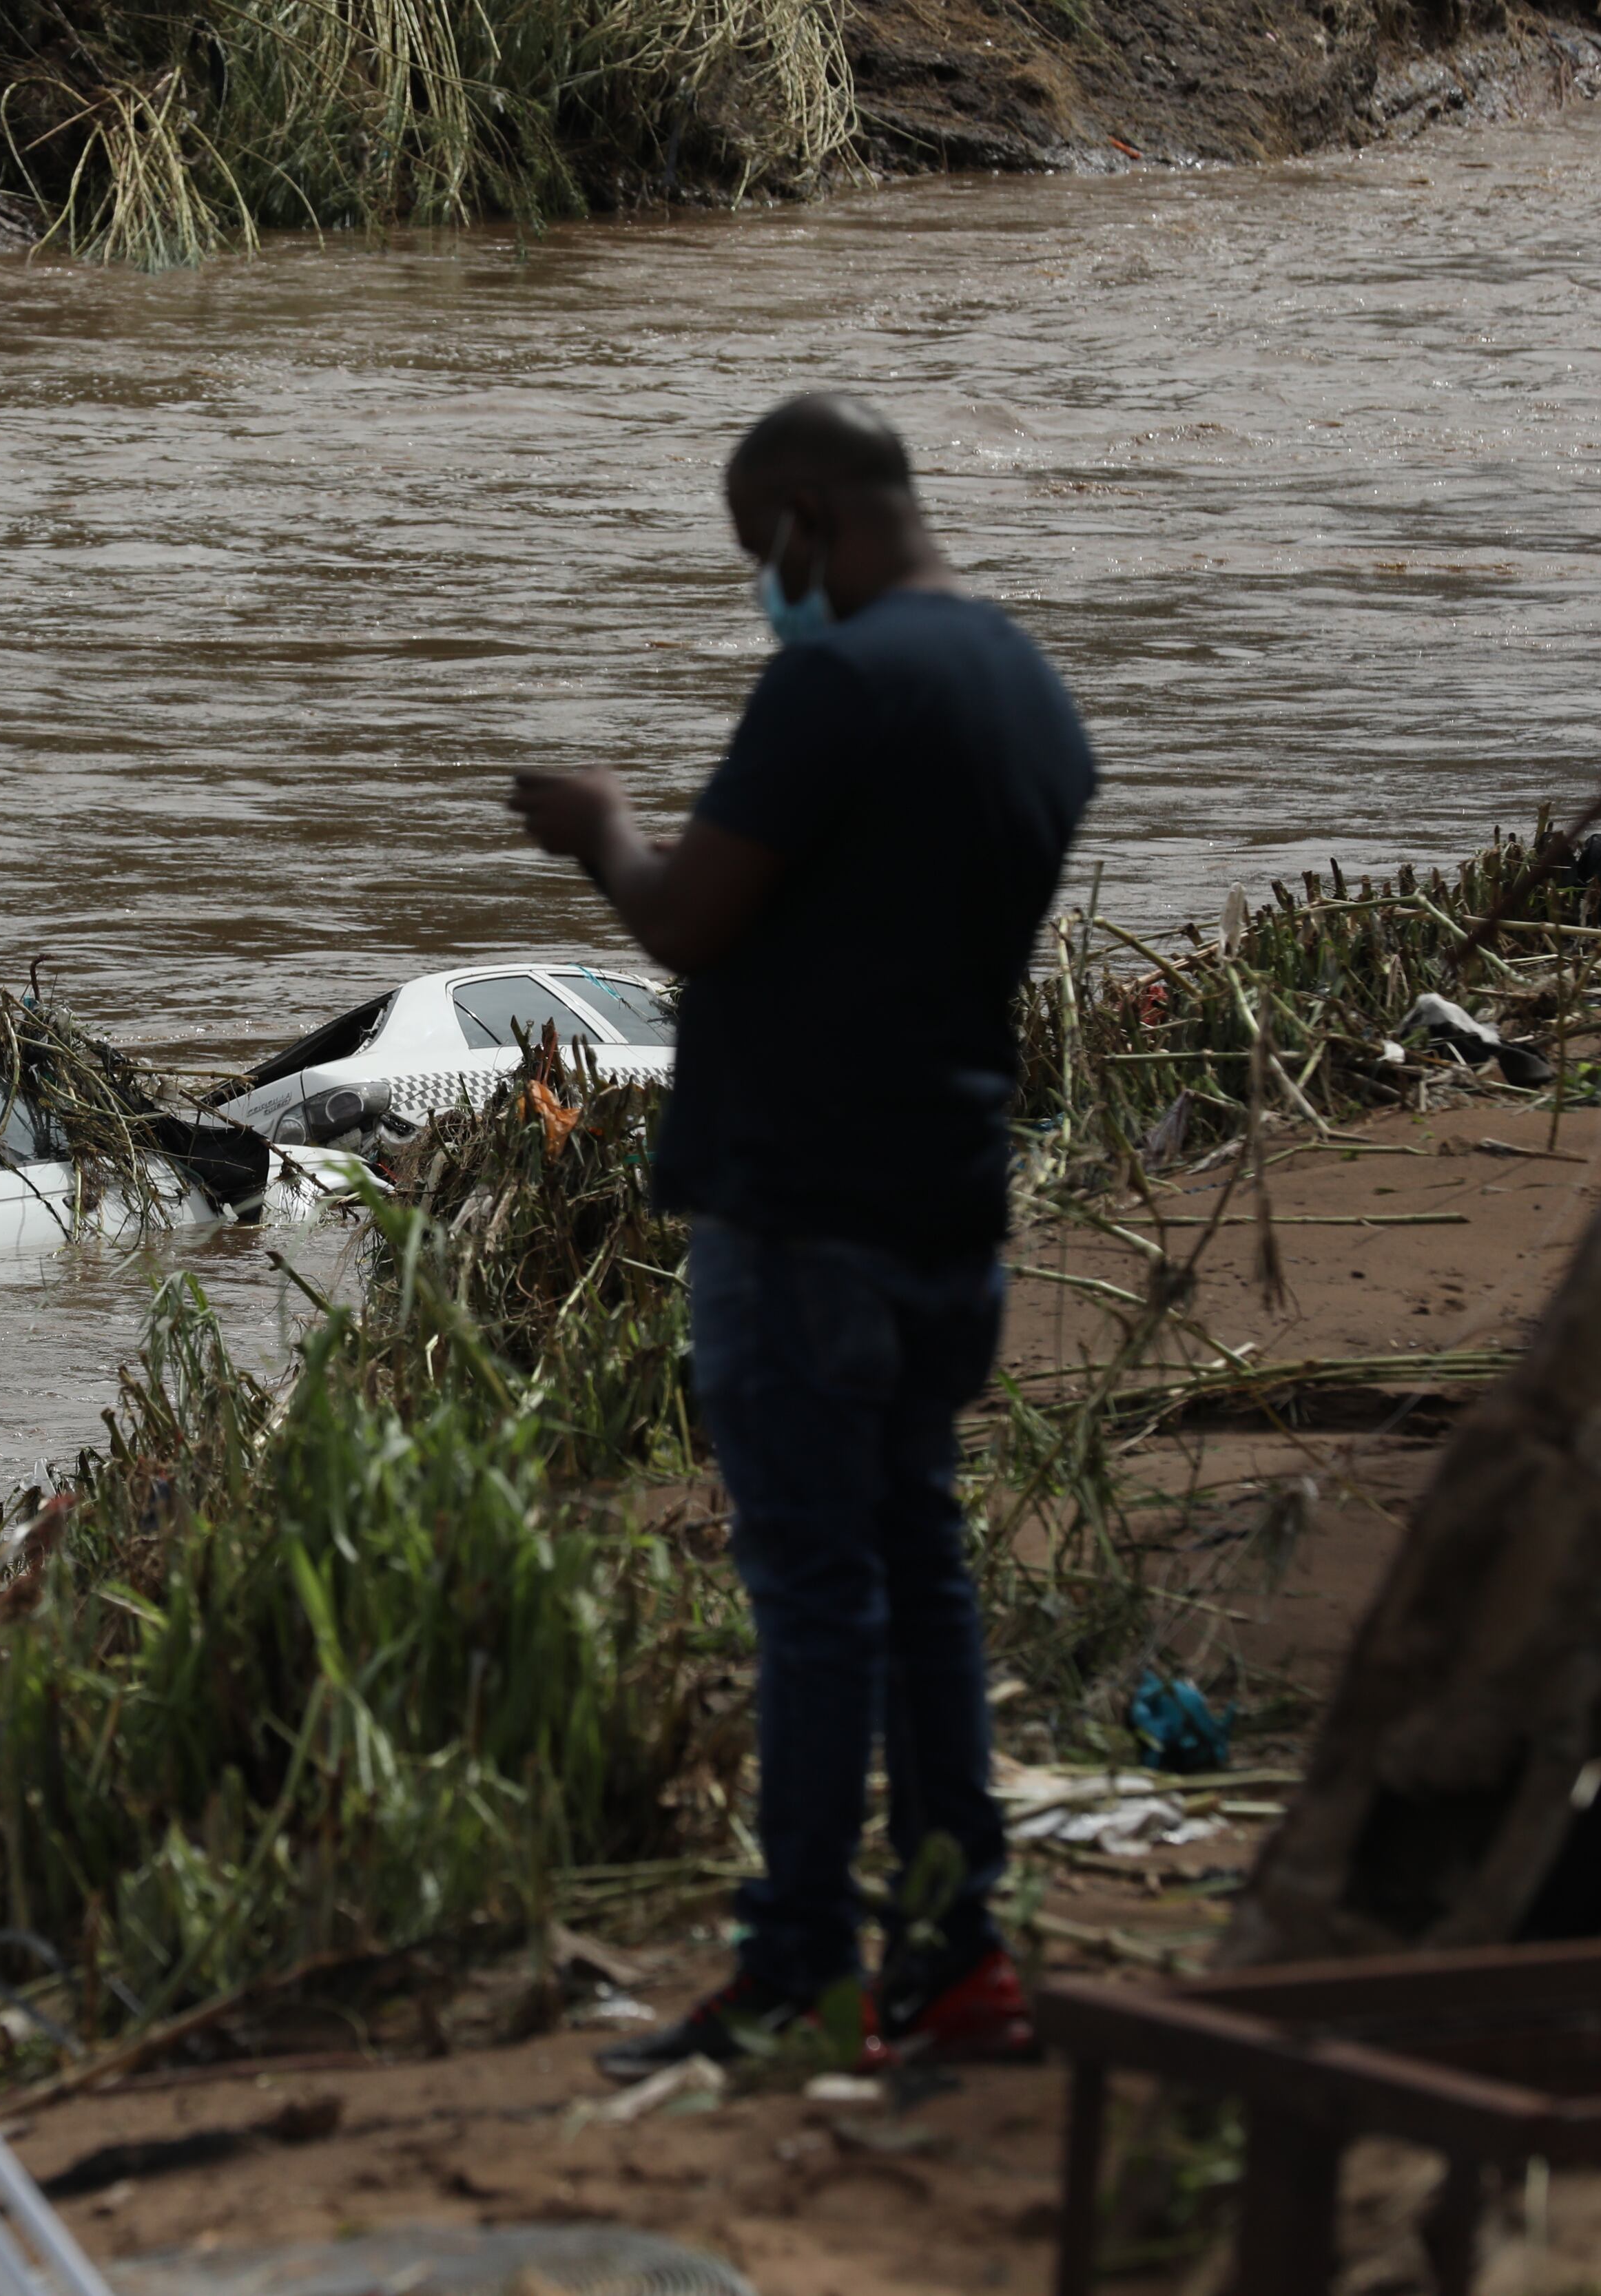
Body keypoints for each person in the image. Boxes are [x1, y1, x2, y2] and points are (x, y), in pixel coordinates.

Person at [508, 393, 1097, 2076]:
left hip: (800, 1213)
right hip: (945, 1199)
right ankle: (955, 1957)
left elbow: (692, 916)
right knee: (922, 1573)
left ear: (811, 517)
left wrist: (600, 826)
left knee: (818, 1595)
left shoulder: (837, 679)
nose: (763, 586)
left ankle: (797, 1975)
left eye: (759, 550)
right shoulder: (1027, 692)